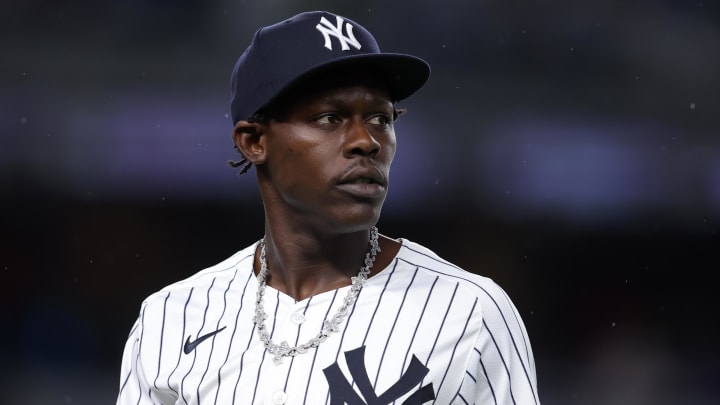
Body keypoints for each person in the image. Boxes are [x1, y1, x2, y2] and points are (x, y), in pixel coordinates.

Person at [116, 10, 540, 405]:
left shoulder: (468, 310)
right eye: (329, 118)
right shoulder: (171, 317)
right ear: (254, 142)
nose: (367, 141)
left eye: (381, 118)